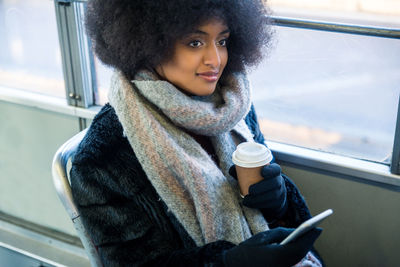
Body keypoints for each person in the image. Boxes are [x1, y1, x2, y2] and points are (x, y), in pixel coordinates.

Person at [70, 0, 324, 266]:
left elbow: (279, 223)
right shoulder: (102, 157)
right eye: (195, 43)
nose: (215, 60)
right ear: (148, 44)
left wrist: (280, 203)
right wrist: (227, 262)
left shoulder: (233, 108)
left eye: (222, 41)